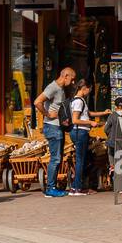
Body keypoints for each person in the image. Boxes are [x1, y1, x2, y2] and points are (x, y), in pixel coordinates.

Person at [34, 66, 76, 197]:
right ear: (65, 76)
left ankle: (53, 186)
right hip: (52, 127)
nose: (73, 82)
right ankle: (50, 188)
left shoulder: (61, 89)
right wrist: (47, 114)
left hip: (58, 127)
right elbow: (37, 102)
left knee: (57, 158)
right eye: (72, 79)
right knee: (56, 158)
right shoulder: (53, 87)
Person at [69, 79, 93, 196]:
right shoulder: (78, 101)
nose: (89, 92)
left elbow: (87, 113)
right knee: (80, 161)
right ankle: (76, 188)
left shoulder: (77, 100)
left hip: (79, 132)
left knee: (81, 160)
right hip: (80, 132)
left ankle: (76, 186)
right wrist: (90, 123)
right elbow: (75, 120)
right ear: (84, 88)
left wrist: (103, 113)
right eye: (89, 90)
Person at [103, 96, 122, 185]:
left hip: (112, 143)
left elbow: (106, 129)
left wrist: (110, 135)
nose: (121, 108)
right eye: (121, 107)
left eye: (120, 107)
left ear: (115, 107)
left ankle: (117, 184)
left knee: (113, 164)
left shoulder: (111, 116)